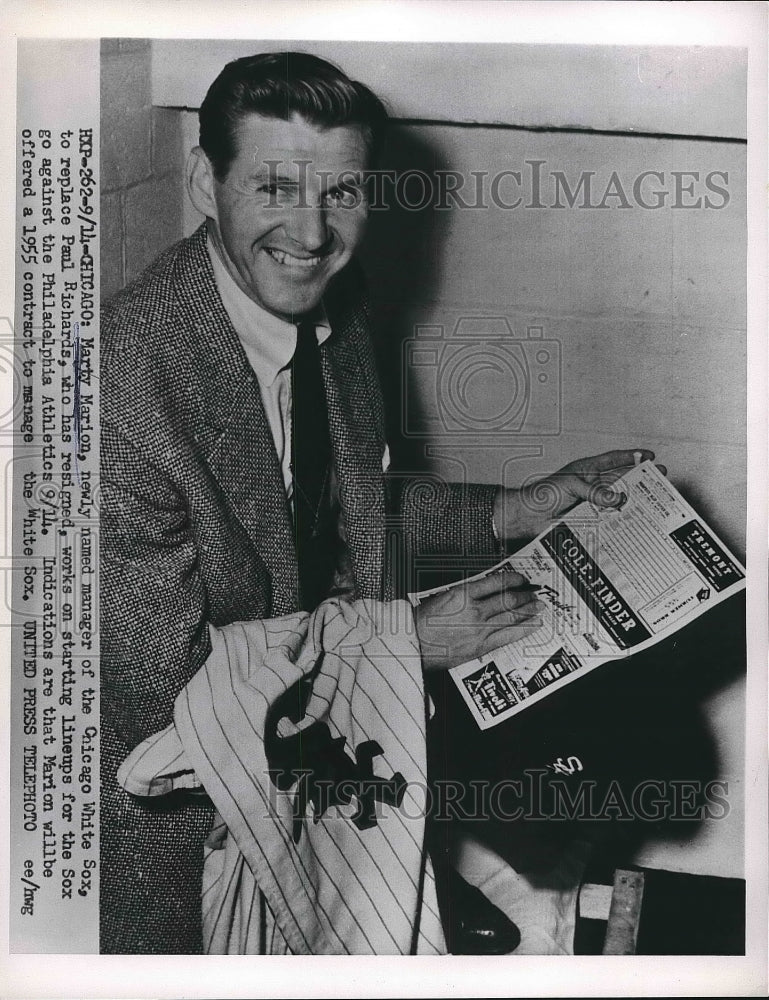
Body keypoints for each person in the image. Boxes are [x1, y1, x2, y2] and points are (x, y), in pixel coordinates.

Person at [101, 51, 652, 954]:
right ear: (205, 181)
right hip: (186, 837)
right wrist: (406, 643)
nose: (312, 233)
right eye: (275, 186)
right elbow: (169, 696)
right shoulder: (120, 387)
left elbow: (337, 519)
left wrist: (514, 508)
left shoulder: (334, 309)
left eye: (342, 193)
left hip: (328, 778)